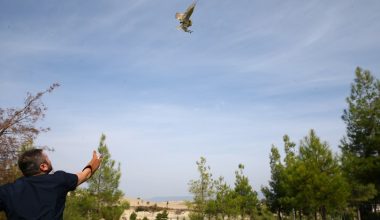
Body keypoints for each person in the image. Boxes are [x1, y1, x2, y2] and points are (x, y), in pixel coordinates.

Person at [0, 149, 102, 219]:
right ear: (43, 166)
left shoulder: (7, 191)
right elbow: (85, 175)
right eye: (47, 158)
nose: (50, 160)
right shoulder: (58, 180)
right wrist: (94, 162)